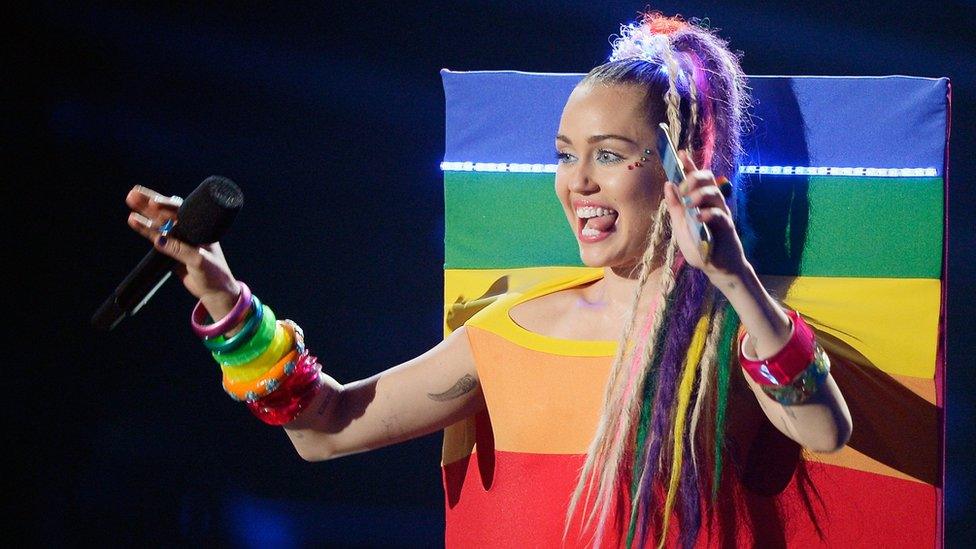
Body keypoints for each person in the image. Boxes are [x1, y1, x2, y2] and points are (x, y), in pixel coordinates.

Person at [124, 11, 851, 548]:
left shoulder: (736, 333)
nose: (579, 183)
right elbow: (324, 429)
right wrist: (226, 301)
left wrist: (734, 281)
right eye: (566, 155)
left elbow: (824, 428)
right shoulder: (508, 332)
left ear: (682, 165)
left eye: (609, 153)